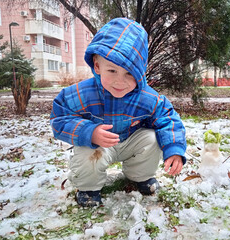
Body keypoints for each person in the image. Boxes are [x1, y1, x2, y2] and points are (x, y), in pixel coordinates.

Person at [50, 18, 187, 207]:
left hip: (130, 143)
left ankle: (140, 177)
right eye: (112, 71)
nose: (120, 81)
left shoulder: (147, 97)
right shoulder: (80, 94)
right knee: (85, 149)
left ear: (140, 72)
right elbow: (60, 118)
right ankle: (88, 188)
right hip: (98, 147)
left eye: (130, 73)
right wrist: (89, 132)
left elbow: (168, 118)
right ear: (97, 66)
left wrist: (174, 149)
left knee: (151, 138)